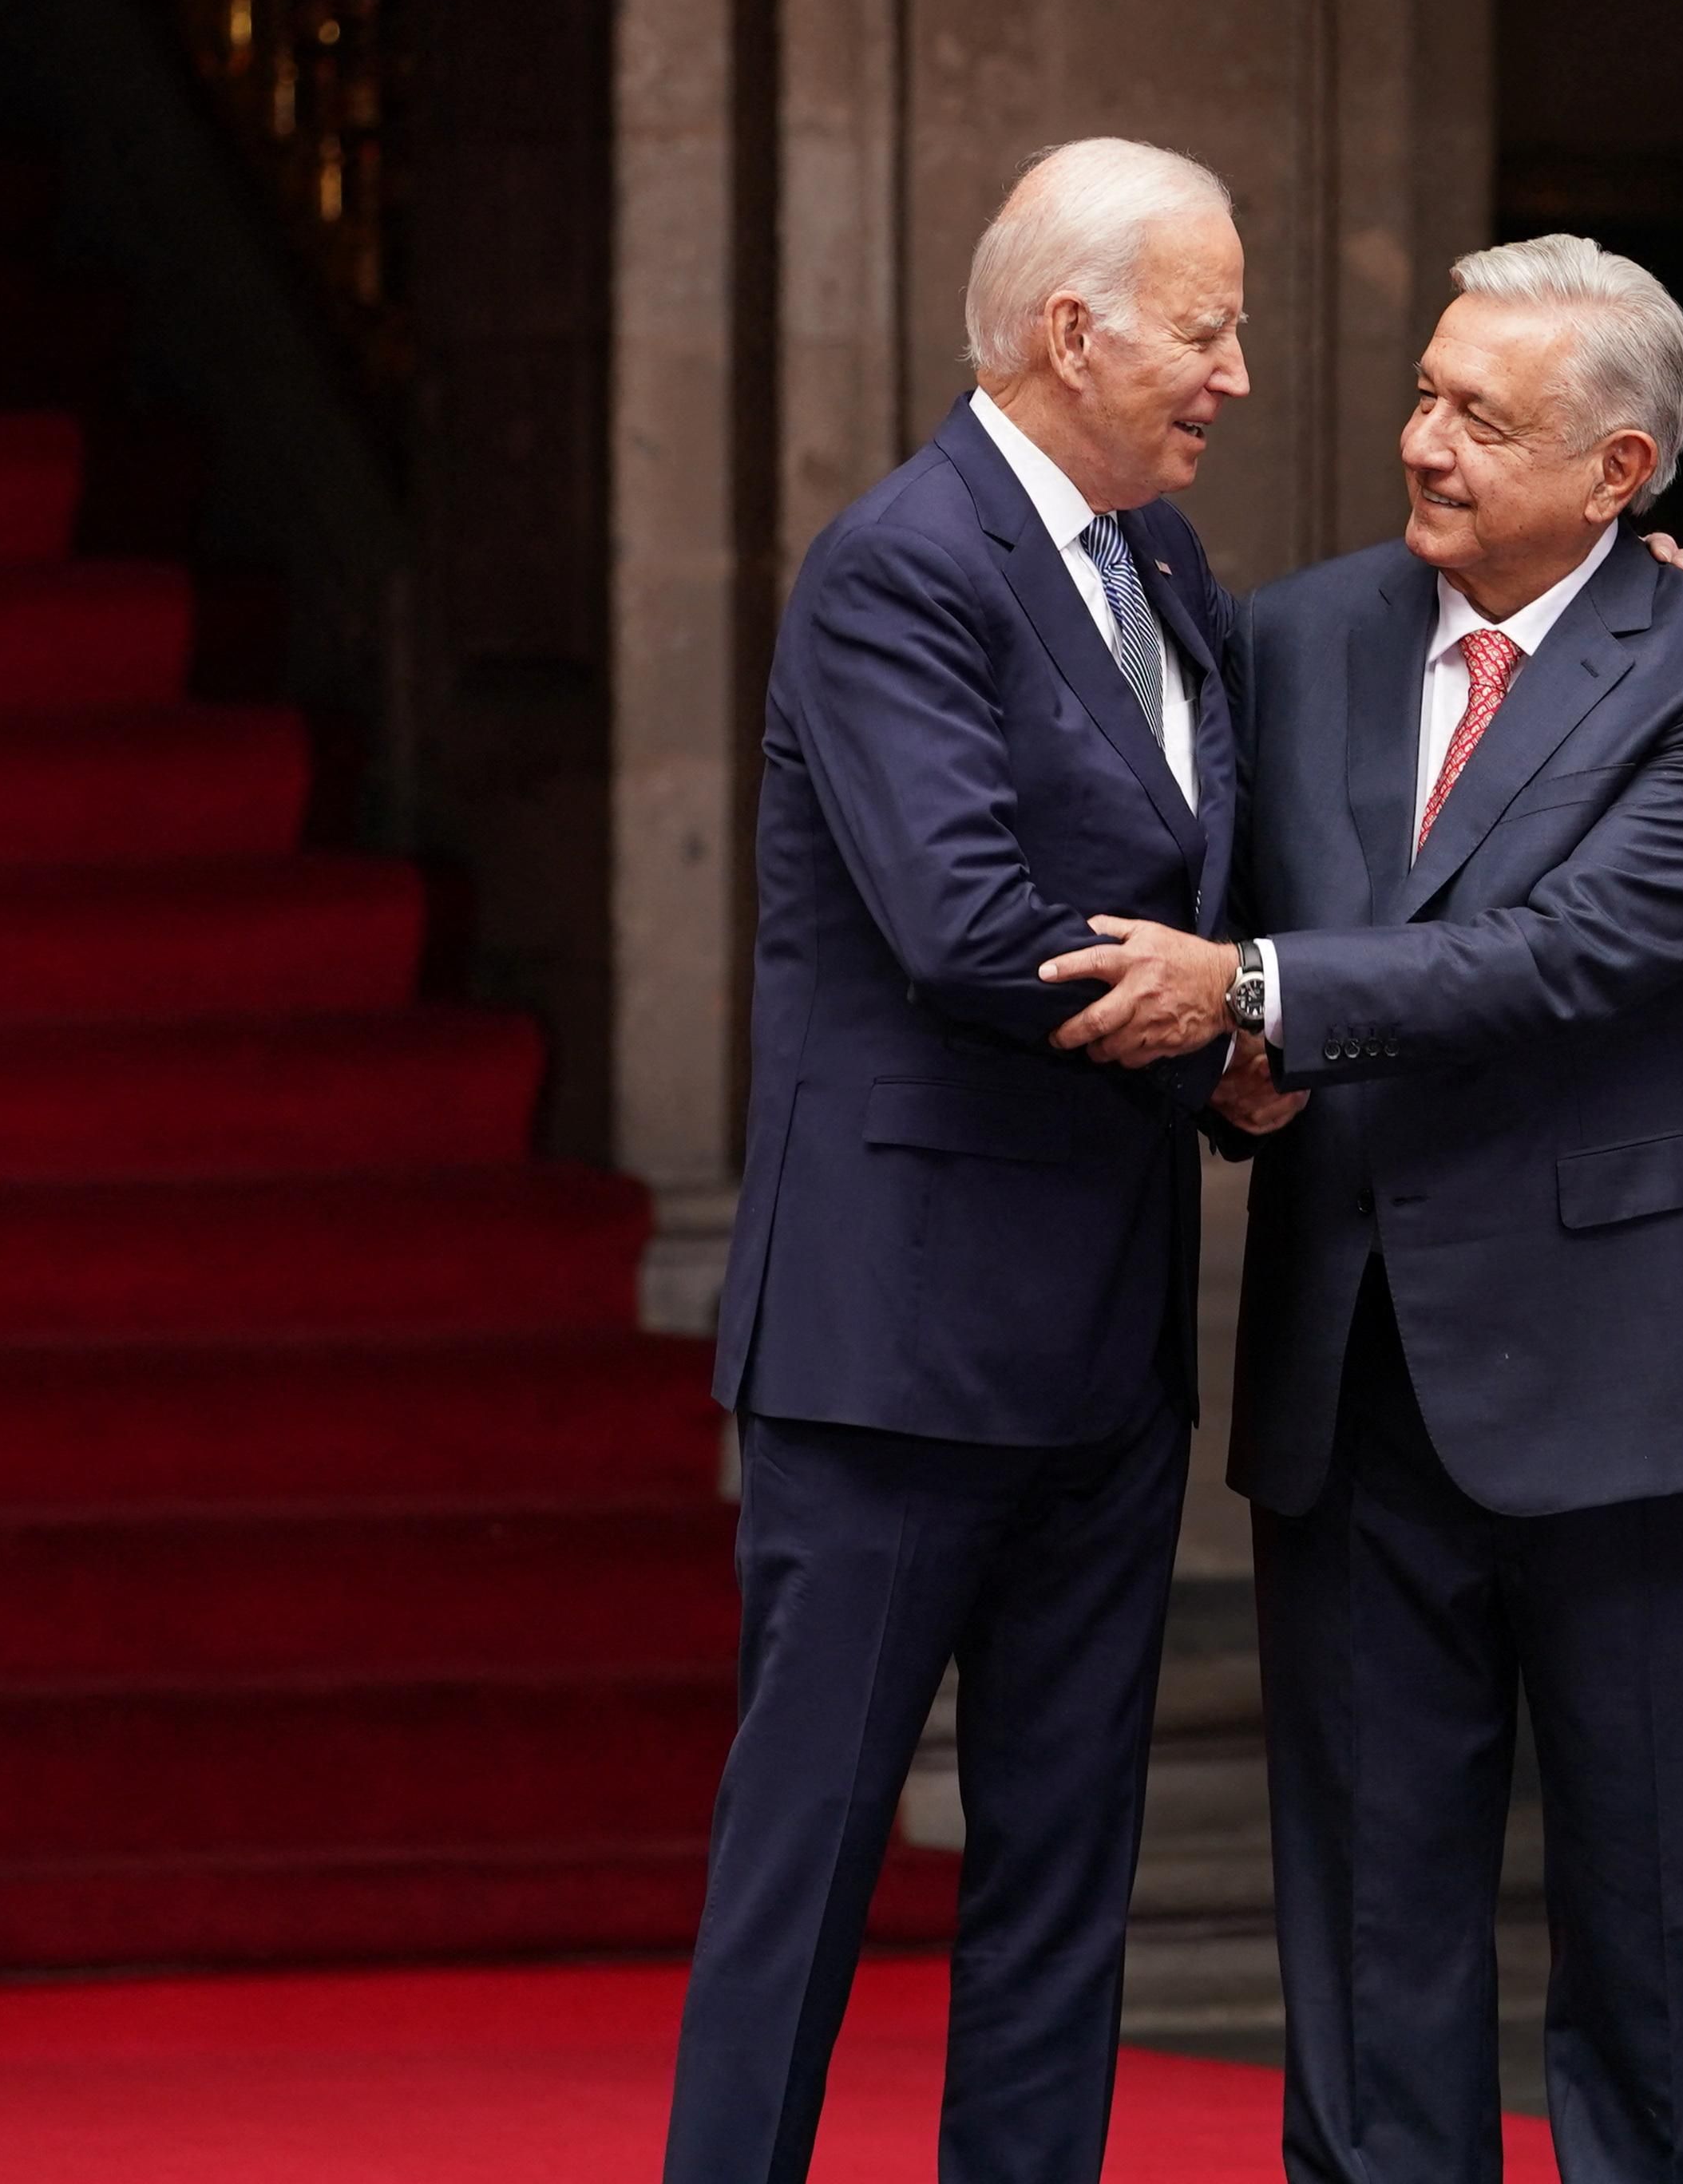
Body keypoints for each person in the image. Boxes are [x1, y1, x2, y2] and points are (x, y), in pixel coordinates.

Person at [1047, 235, 1683, 2184]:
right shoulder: (1297, 633)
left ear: (1621, 470)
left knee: (1653, 1950)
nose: (1426, 444)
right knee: (1368, 1942)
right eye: (1424, 392)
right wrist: (1227, 1062)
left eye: (1486, 418)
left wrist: (1255, 991)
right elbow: (1201, 900)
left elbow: (1570, 953)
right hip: (1358, 1384)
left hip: (1638, 1398)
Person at [661, 137, 1258, 2184]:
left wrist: (1631, 607)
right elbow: (960, 914)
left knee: (1065, 1873)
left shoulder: (1169, 568)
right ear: (1073, 331)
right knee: (807, 1862)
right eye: (1207, 326)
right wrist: (1230, 1017)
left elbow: (1282, 787)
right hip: (895, 1345)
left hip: (1106, 1344)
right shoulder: (900, 561)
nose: (1237, 372)